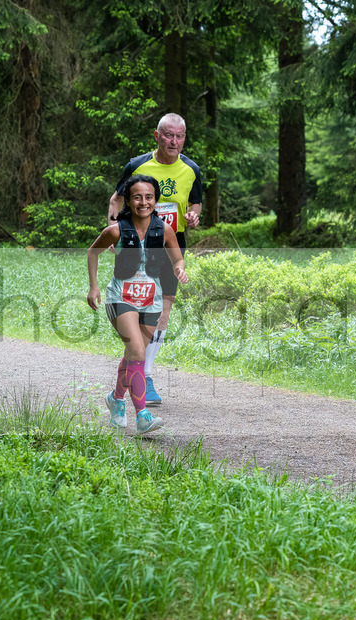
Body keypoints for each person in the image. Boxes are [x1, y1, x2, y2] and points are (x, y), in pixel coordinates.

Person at [107, 113, 202, 406]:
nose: (174, 142)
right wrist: (115, 232)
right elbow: (116, 200)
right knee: (137, 309)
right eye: (169, 135)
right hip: (136, 246)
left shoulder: (191, 169)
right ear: (156, 136)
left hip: (171, 245)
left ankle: (144, 376)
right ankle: (133, 372)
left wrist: (194, 215)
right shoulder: (137, 165)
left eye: (180, 136)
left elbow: (195, 201)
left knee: (162, 311)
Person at [89, 175, 188, 435]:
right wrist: (94, 286)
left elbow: (178, 259)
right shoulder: (116, 230)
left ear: (155, 200)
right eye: (137, 197)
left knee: (134, 355)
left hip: (151, 300)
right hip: (120, 297)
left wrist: (180, 270)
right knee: (138, 354)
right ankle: (142, 416)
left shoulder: (165, 229)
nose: (143, 202)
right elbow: (92, 252)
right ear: (129, 201)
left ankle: (115, 398)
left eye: (149, 197)